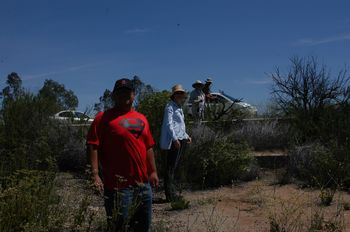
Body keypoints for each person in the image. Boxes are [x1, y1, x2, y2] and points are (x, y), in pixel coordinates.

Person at [86, 78, 159, 232]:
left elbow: (148, 147)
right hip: (118, 188)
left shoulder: (142, 118)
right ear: (114, 96)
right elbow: (93, 146)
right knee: (118, 227)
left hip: (143, 186)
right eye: (120, 92)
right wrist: (95, 175)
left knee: (142, 227)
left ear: (133, 95)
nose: (124, 95)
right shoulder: (103, 118)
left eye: (127, 92)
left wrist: (153, 172)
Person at [160, 84, 191, 202]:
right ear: (174, 95)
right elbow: (169, 124)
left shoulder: (179, 107)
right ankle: (170, 195)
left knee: (174, 167)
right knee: (170, 167)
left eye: (181, 94)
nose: (180, 96)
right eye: (178, 93)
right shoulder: (170, 107)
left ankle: (172, 193)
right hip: (174, 140)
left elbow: (180, 126)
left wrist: (187, 136)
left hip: (180, 139)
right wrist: (174, 139)